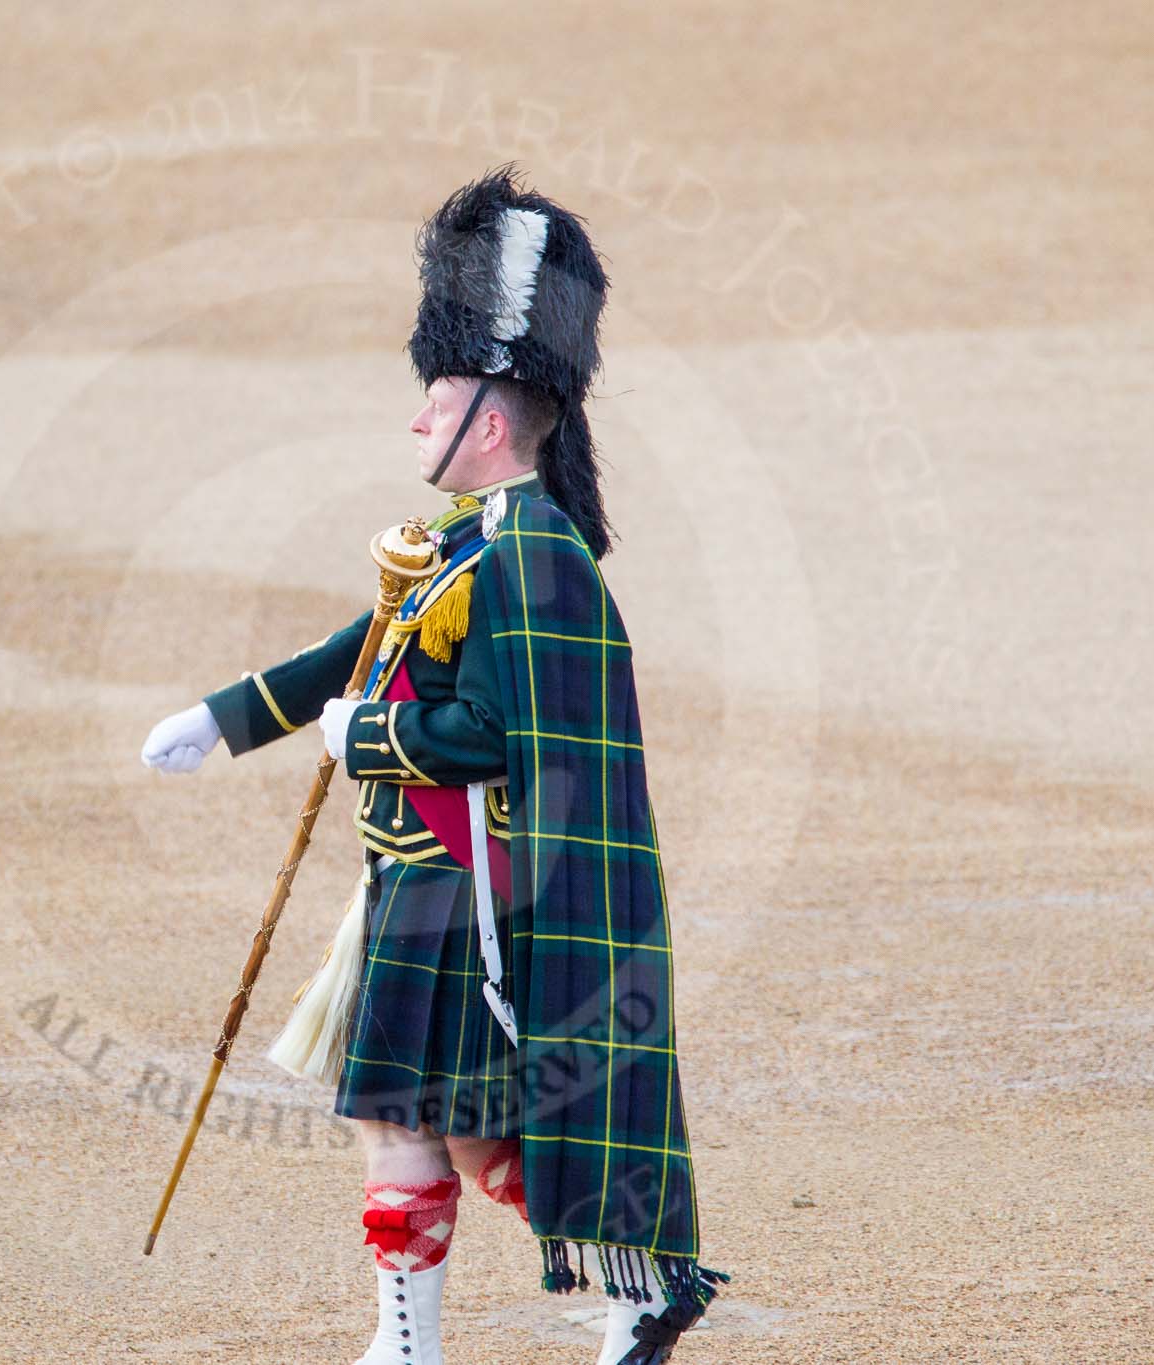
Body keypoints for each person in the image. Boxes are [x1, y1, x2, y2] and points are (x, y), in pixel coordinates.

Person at [142, 169, 723, 1365]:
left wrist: (366, 740)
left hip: (475, 896)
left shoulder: (532, 556)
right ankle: (404, 1345)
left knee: (462, 1135)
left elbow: (495, 737)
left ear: (489, 424)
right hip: (412, 884)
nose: (416, 422)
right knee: (400, 1122)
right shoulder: (470, 545)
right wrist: (224, 718)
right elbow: (362, 646)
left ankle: (637, 1285)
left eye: (436, 400)